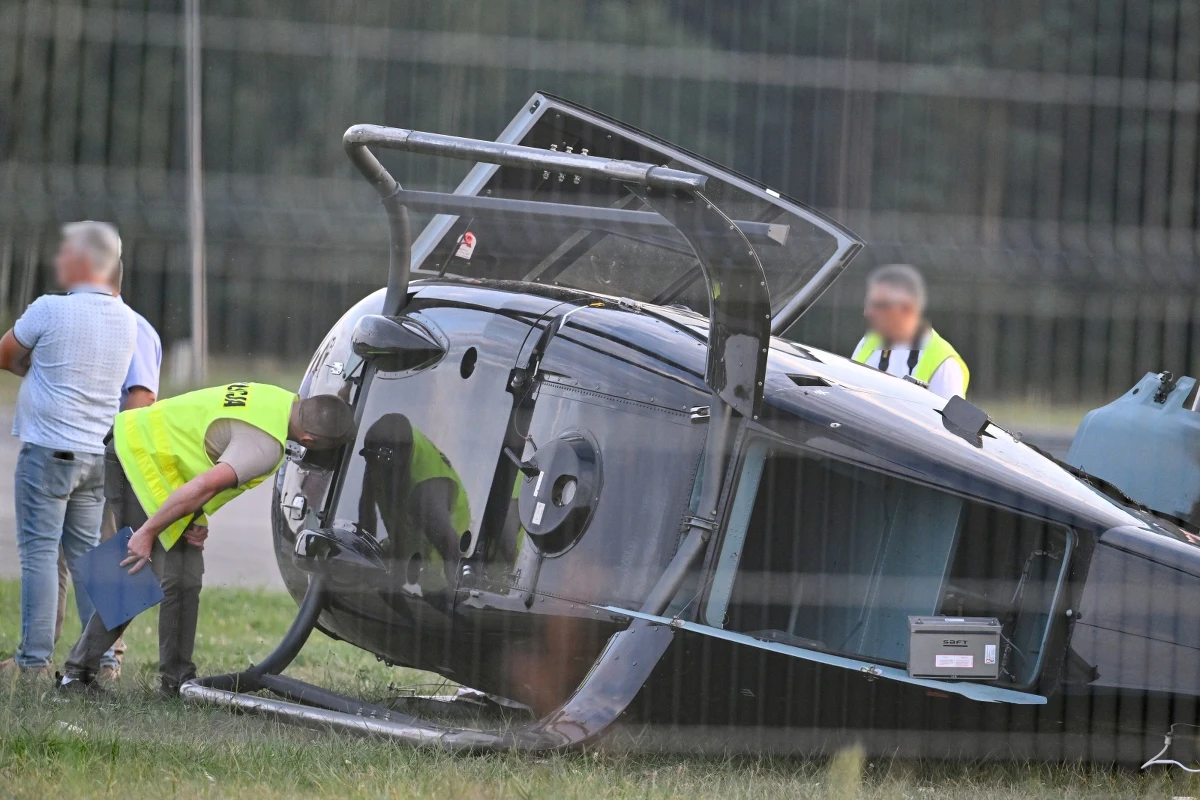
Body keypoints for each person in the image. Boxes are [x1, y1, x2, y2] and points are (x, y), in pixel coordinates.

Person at [60, 383, 356, 695]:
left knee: (184, 574)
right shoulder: (265, 447)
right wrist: (147, 533)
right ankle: (76, 676)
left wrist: (195, 516)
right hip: (138, 459)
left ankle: (176, 681)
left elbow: (204, 454)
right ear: (309, 441)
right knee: (139, 570)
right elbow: (205, 485)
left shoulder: (281, 400)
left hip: (151, 454)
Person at [0, 222, 137, 680]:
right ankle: (101, 661)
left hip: (48, 452)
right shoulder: (127, 320)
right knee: (89, 562)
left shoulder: (50, 310)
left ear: (81, 261)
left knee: (39, 553)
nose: (58, 262)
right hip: (94, 456)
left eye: (64, 254)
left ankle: (33, 663)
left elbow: (5, 354)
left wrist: (39, 370)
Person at [53, 259, 162, 681]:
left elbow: (141, 398)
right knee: (67, 555)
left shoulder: (132, 327)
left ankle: (107, 659)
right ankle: (48, 657)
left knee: (108, 558)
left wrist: (110, 451)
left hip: (111, 459)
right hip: (84, 452)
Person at [850, 263, 969, 400]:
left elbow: (945, 421)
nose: (867, 312)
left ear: (907, 308)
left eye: (879, 306)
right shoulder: (868, 341)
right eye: (869, 303)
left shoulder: (945, 363)